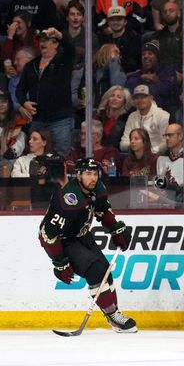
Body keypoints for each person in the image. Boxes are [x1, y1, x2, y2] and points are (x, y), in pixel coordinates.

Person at [38, 157, 136, 332]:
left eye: (95, 173)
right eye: (88, 174)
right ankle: (113, 315)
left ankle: (114, 316)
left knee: (105, 271)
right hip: (64, 240)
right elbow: (48, 234)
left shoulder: (97, 187)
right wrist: (59, 262)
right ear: (78, 175)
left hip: (83, 235)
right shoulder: (69, 198)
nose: (93, 178)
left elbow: (103, 209)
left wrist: (115, 228)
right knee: (95, 271)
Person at [15, 27, 74, 156]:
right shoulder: (31, 65)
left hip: (60, 119)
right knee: (36, 155)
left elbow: (70, 48)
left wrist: (60, 35)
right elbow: (19, 89)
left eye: (47, 40)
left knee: (61, 155)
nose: (42, 43)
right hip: (38, 119)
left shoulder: (64, 61)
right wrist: (24, 102)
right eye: (41, 39)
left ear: (56, 44)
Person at [120, 85, 170, 154]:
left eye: (143, 97)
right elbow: (123, 144)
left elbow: (167, 142)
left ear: (151, 98)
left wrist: (150, 152)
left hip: (157, 156)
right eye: (136, 98)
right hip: (136, 155)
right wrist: (136, 148)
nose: (139, 100)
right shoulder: (132, 116)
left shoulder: (162, 116)